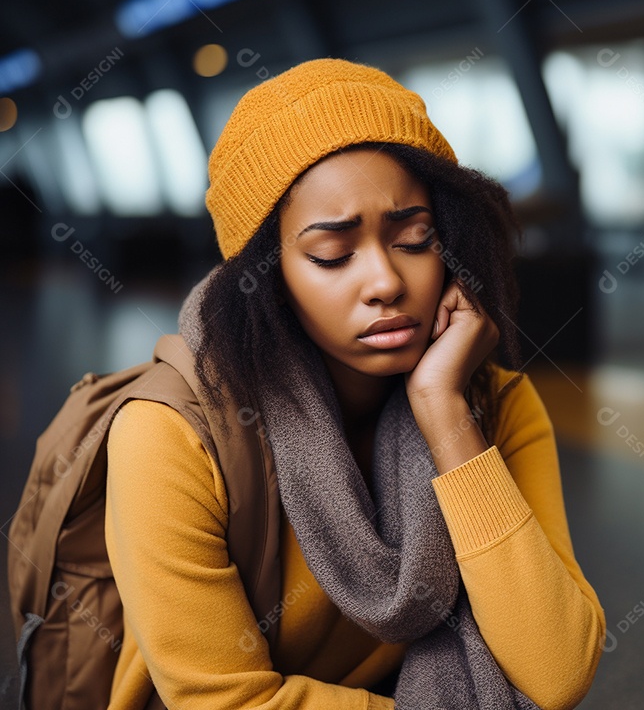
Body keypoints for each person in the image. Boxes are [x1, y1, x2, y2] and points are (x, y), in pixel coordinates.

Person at [103, 58, 605, 709]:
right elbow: (223, 700)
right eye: (333, 255)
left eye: (415, 240)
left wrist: (444, 413)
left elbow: (558, 670)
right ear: (265, 277)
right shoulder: (170, 434)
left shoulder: (492, 402)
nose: (386, 283)